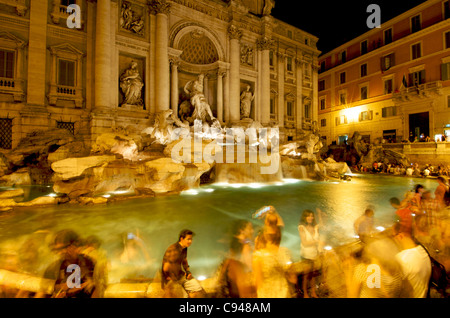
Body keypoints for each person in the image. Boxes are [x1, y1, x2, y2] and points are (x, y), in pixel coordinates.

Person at [42, 229, 97, 298]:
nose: (61, 253)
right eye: (58, 250)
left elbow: (95, 287)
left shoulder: (89, 263)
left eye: (64, 248)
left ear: (75, 245)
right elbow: (42, 292)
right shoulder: (53, 269)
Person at [215, 220, 256, 298]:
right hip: (241, 284)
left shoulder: (233, 242)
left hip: (232, 283)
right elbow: (248, 266)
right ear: (241, 230)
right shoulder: (245, 246)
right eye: (250, 228)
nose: (252, 231)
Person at [252, 228, 296, 298]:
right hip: (283, 293)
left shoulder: (258, 256)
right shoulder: (284, 252)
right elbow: (293, 279)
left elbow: (258, 282)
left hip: (267, 294)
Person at [161, 229, 205, 298]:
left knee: (198, 289)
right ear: (182, 239)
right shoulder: (174, 249)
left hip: (180, 276)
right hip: (172, 279)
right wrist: (173, 279)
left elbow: (184, 260)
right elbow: (166, 267)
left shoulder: (184, 248)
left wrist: (188, 271)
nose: (190, 241)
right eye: (188, 239)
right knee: (184, 296)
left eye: (191, 239)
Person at [392, 222, 431, 298]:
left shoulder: (402, 259)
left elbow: (393, 290)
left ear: (400, 236)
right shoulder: (423, 250)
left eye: (393, 236)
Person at [298, 209, 324, 298]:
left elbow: (322, 224)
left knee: (313, 275)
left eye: (312, 216)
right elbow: (304, 242)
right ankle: (305, 293)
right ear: (304, 217)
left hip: (314, 254)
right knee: (306, 275)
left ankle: (313, 292)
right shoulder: (301, 227)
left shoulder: (315, 227)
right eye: (308, 216)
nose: (311, 218)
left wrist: (319, 214)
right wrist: (317, 241)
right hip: (305, 255)